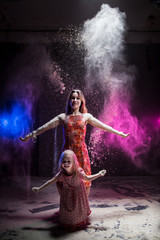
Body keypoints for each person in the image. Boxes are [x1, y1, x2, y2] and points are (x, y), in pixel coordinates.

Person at [20, 89, 129, 195]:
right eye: (72, 98)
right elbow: (45, 127)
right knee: (63, 179)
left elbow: (103, 126)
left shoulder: (86, 116)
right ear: (69, 101)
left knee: (85, 181)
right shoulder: (63, 117)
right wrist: (30, 135)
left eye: (78, 98)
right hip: (67, 153)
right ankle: (67, 208)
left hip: (81, 153)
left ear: (81, 101)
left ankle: (83, 208)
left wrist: (120, 133)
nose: (75, 100)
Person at [32, 150, 106, 229]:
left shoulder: (78, 171)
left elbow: (87, 178)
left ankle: (78, 220)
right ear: (61, 162)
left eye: (69, 161)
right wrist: (39, 188)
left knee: (77, 210)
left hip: (78, 194)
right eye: (64, 161)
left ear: (74, 162)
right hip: (67, 195)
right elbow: (51, 181)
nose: (66, 164)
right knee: (67, 211)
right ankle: (68, 221)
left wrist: (99, 174)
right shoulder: (61, 174)